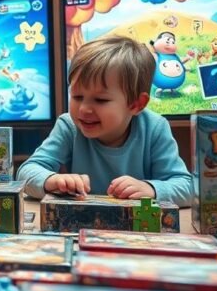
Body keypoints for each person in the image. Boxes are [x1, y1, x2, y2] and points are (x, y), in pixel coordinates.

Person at [16, 35, 194, 205]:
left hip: (137, 232)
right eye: (77, 96)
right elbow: (26, 172)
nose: (84, 108)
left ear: (136, 104)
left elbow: (186, 187)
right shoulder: (69, 125)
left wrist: (151, 189)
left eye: (101, 100)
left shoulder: (154, 128)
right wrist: (52, 180)